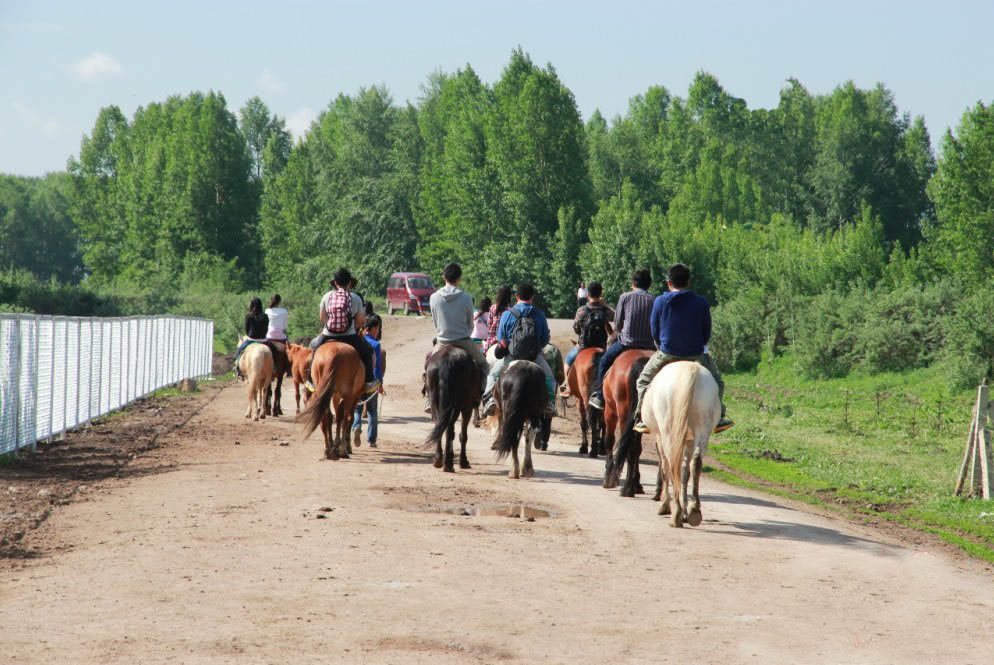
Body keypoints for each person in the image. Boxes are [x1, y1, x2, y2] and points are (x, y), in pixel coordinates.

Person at [632, 263, 734, 434]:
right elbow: (706, 331)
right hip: (696, 354)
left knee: (642, 380)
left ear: (668, 283)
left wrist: (661, 346)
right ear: (689, 281)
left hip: (667, 353)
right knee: (718, 381)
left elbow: (654, 331)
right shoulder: (701, 302)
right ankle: (721, 416)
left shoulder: (659, 301)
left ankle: (641, 417)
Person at [481, 283, 558, 418]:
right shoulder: (539, 314)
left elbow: (501, 338)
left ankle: (490, 401)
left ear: (517, 296)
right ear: (532, 297)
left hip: (512, 356)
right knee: (550, 377)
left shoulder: (507, 314)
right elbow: (545, 339)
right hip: (534, 357)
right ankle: (550, 403)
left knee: (492, 375)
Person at [588, 269, 656, 410]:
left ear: (633, 284)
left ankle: (600, 396)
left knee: (604, 361)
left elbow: (618, 324)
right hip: (649, 347)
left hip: (626, 344)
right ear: (649, 284)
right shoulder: (654, 300)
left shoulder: (625, 297)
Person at [304, 267, 379, 395]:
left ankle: (310, 380)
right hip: (349, 335)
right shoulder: (355, 298)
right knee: (367, 352)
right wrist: (350, 327)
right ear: (350, 282)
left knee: (314, 349)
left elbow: (322, 318)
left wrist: (332, 324)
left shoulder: (327, 296)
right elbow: (361, 321)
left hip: (328, 334)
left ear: (335, 283)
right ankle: (369, 381)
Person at [427, 263, 491, 396]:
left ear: (444, 277)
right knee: (484, 365)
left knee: (428, 366)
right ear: (459, 278)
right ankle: (485, 396)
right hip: (464, 342)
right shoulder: (467, 297)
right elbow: (470, 324)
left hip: (442, 342)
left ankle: (428, 397)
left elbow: (435, 322)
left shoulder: (433, 298)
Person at [352, 314, 385, 448]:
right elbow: (376, 366)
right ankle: (371, 440)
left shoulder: (357, 342)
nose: (377, 332)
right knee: (372, 411)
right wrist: (380, 383)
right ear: (372, 329)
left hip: (357, 382)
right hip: (371, 382)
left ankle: (356, 426)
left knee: (357, 409)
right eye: (376, 329)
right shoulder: (375, 344)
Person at [233, 297, 269, 379]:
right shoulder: (265, 316)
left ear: (251, 305)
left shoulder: (248, 315)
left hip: (251, 339)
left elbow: (247, 330)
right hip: (263, 339)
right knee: (273, 352)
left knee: (239, 351)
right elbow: (266, 328)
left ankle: (238, 370)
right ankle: (274, 368)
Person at [485, 285, 512, 351]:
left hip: (491, 340)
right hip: (504, 340)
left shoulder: (493, 307)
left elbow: (489, 325)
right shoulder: (511, 310)